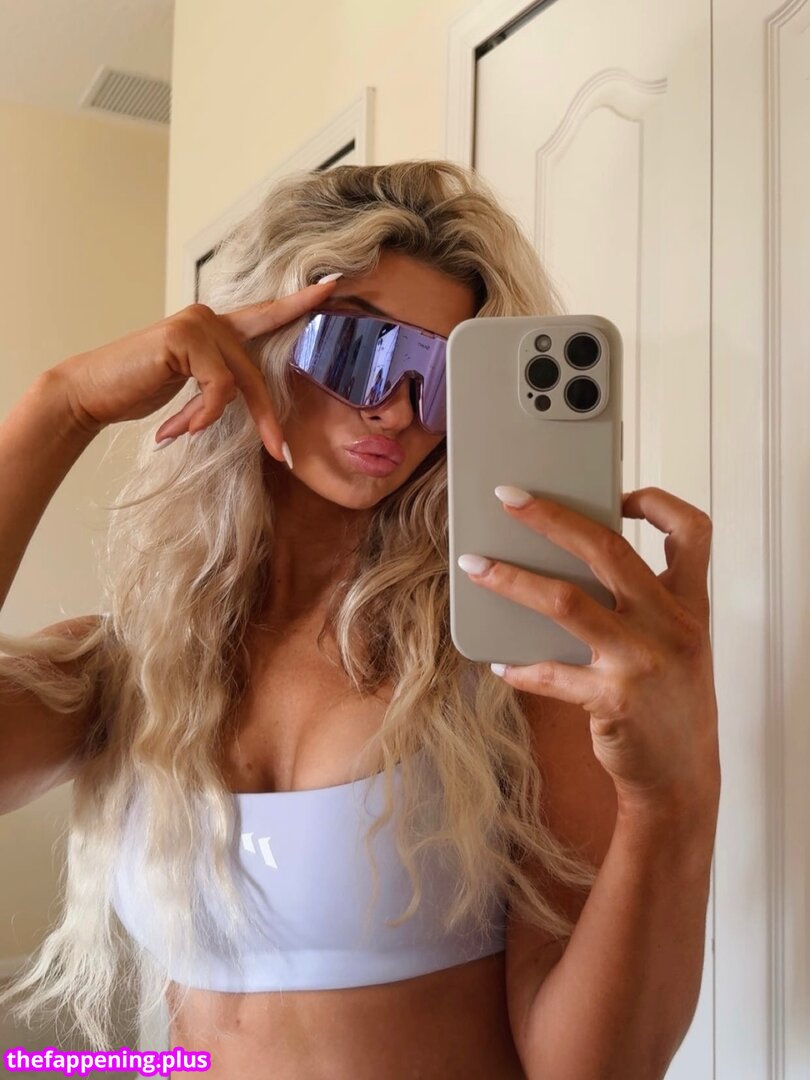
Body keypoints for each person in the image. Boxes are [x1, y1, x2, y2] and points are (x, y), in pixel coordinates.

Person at [0, 161, 720, 1078]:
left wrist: (673, 798)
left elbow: (590, 1070)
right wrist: (59, 405)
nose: (397, 407)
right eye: (360, 348)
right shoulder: (132, 666)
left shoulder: (507, 654)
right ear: (254, 341)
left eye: (443, 377)